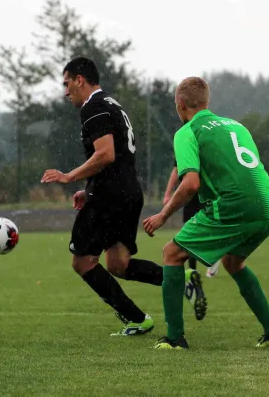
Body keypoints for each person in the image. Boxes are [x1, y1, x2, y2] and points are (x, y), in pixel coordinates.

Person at [41, 57, 207, 336]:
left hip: (108, 197)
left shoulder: (92, 107)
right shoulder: (111, 104)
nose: (66, 90)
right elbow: (118, 155)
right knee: (118, 264)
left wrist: (71, 177)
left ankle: (137, 318)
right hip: (127, 193)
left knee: (82, 262)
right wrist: (89, 187)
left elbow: (106, 153)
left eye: (67, 83)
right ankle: (182, 277)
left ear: (80, 80)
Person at [143, 76, 269, 349]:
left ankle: (175, 339)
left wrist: (162, 215)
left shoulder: (187, 132)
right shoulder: (237, 125)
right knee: (233, 262)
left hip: (234, 205)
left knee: (171, 254)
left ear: (180, 104)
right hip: (268, 205)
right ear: (207, 102)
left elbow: (190, 184)